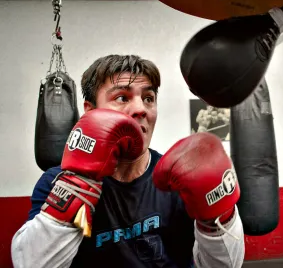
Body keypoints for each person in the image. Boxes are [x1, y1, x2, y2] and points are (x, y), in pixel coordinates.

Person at [11, 54, 245, 268]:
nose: (141, 108)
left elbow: (225, 266)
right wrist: (76, 185)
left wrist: (217, 217)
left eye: (149, 98)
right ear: (91, 111)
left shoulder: (177, 181)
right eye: (122, 97)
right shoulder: (56, 181)